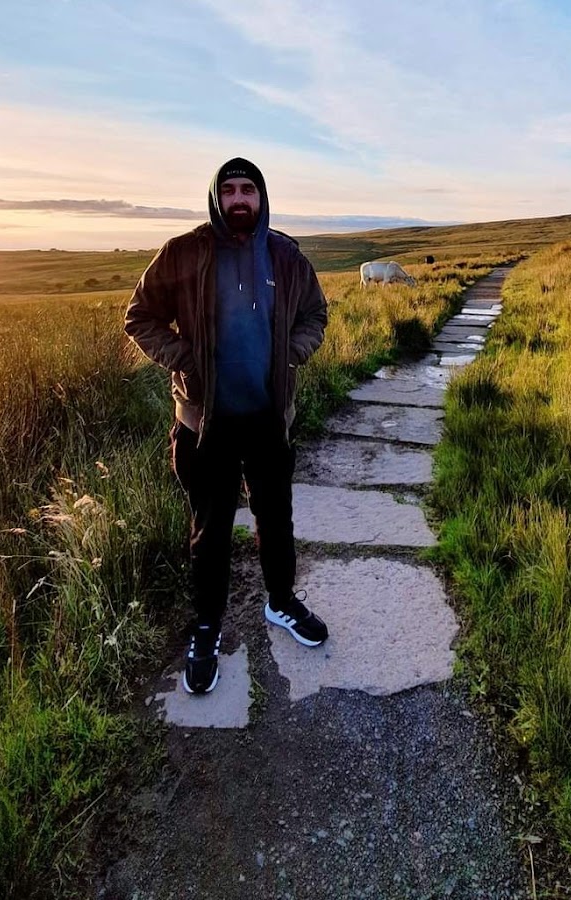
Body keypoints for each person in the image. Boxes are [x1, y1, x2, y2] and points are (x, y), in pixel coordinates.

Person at [124, 157, 329, 695]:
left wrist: (292, 353)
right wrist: (184, 359)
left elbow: (316, 315)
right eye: (230, 190)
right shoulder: (184, 252)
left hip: (268, 418)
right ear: (217, 198)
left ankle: (280, 602)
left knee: (276, 519)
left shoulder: (285, 256)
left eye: (248, 190)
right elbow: (139, 317)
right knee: (210, 529)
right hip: (205, 423)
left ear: (262, 197)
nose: (239, 199)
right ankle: (207, 626)